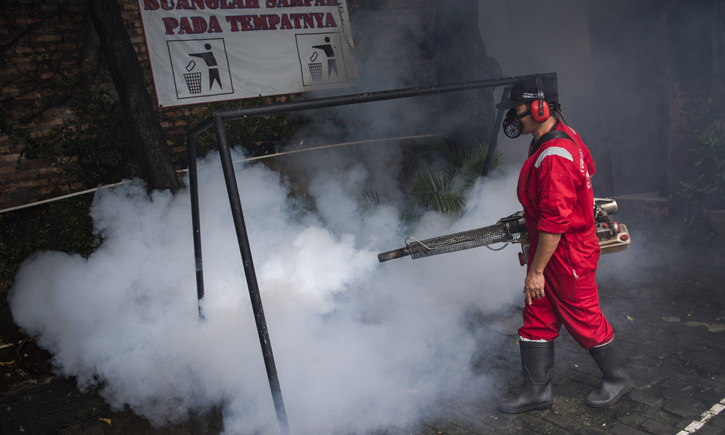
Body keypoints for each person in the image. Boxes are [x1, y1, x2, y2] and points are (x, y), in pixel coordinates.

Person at [495, 74, 633, 414]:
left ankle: (618, 378)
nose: (512, 116)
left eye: (517, 108)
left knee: (583, 316)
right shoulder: (556, 138)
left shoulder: (554, 153)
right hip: (552, 247)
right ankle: (536, 393)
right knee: (538, 313)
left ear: (540, 108)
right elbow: (587, 168)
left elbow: (556, 223)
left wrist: (536, 271)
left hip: (565, 251)